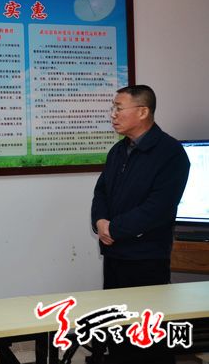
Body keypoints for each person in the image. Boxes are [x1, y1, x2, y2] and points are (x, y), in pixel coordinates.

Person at [91, 84, 190, 363]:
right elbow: (101, 192)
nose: (113, 114)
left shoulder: (170, 153)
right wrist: (100, 222)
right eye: (113, 108)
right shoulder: (118, 150)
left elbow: (158, 209)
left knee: (147, 337)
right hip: (114, 255)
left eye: (119, 108)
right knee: (118, 330)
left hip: (146, 259)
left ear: (143, 111)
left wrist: (113, 229)